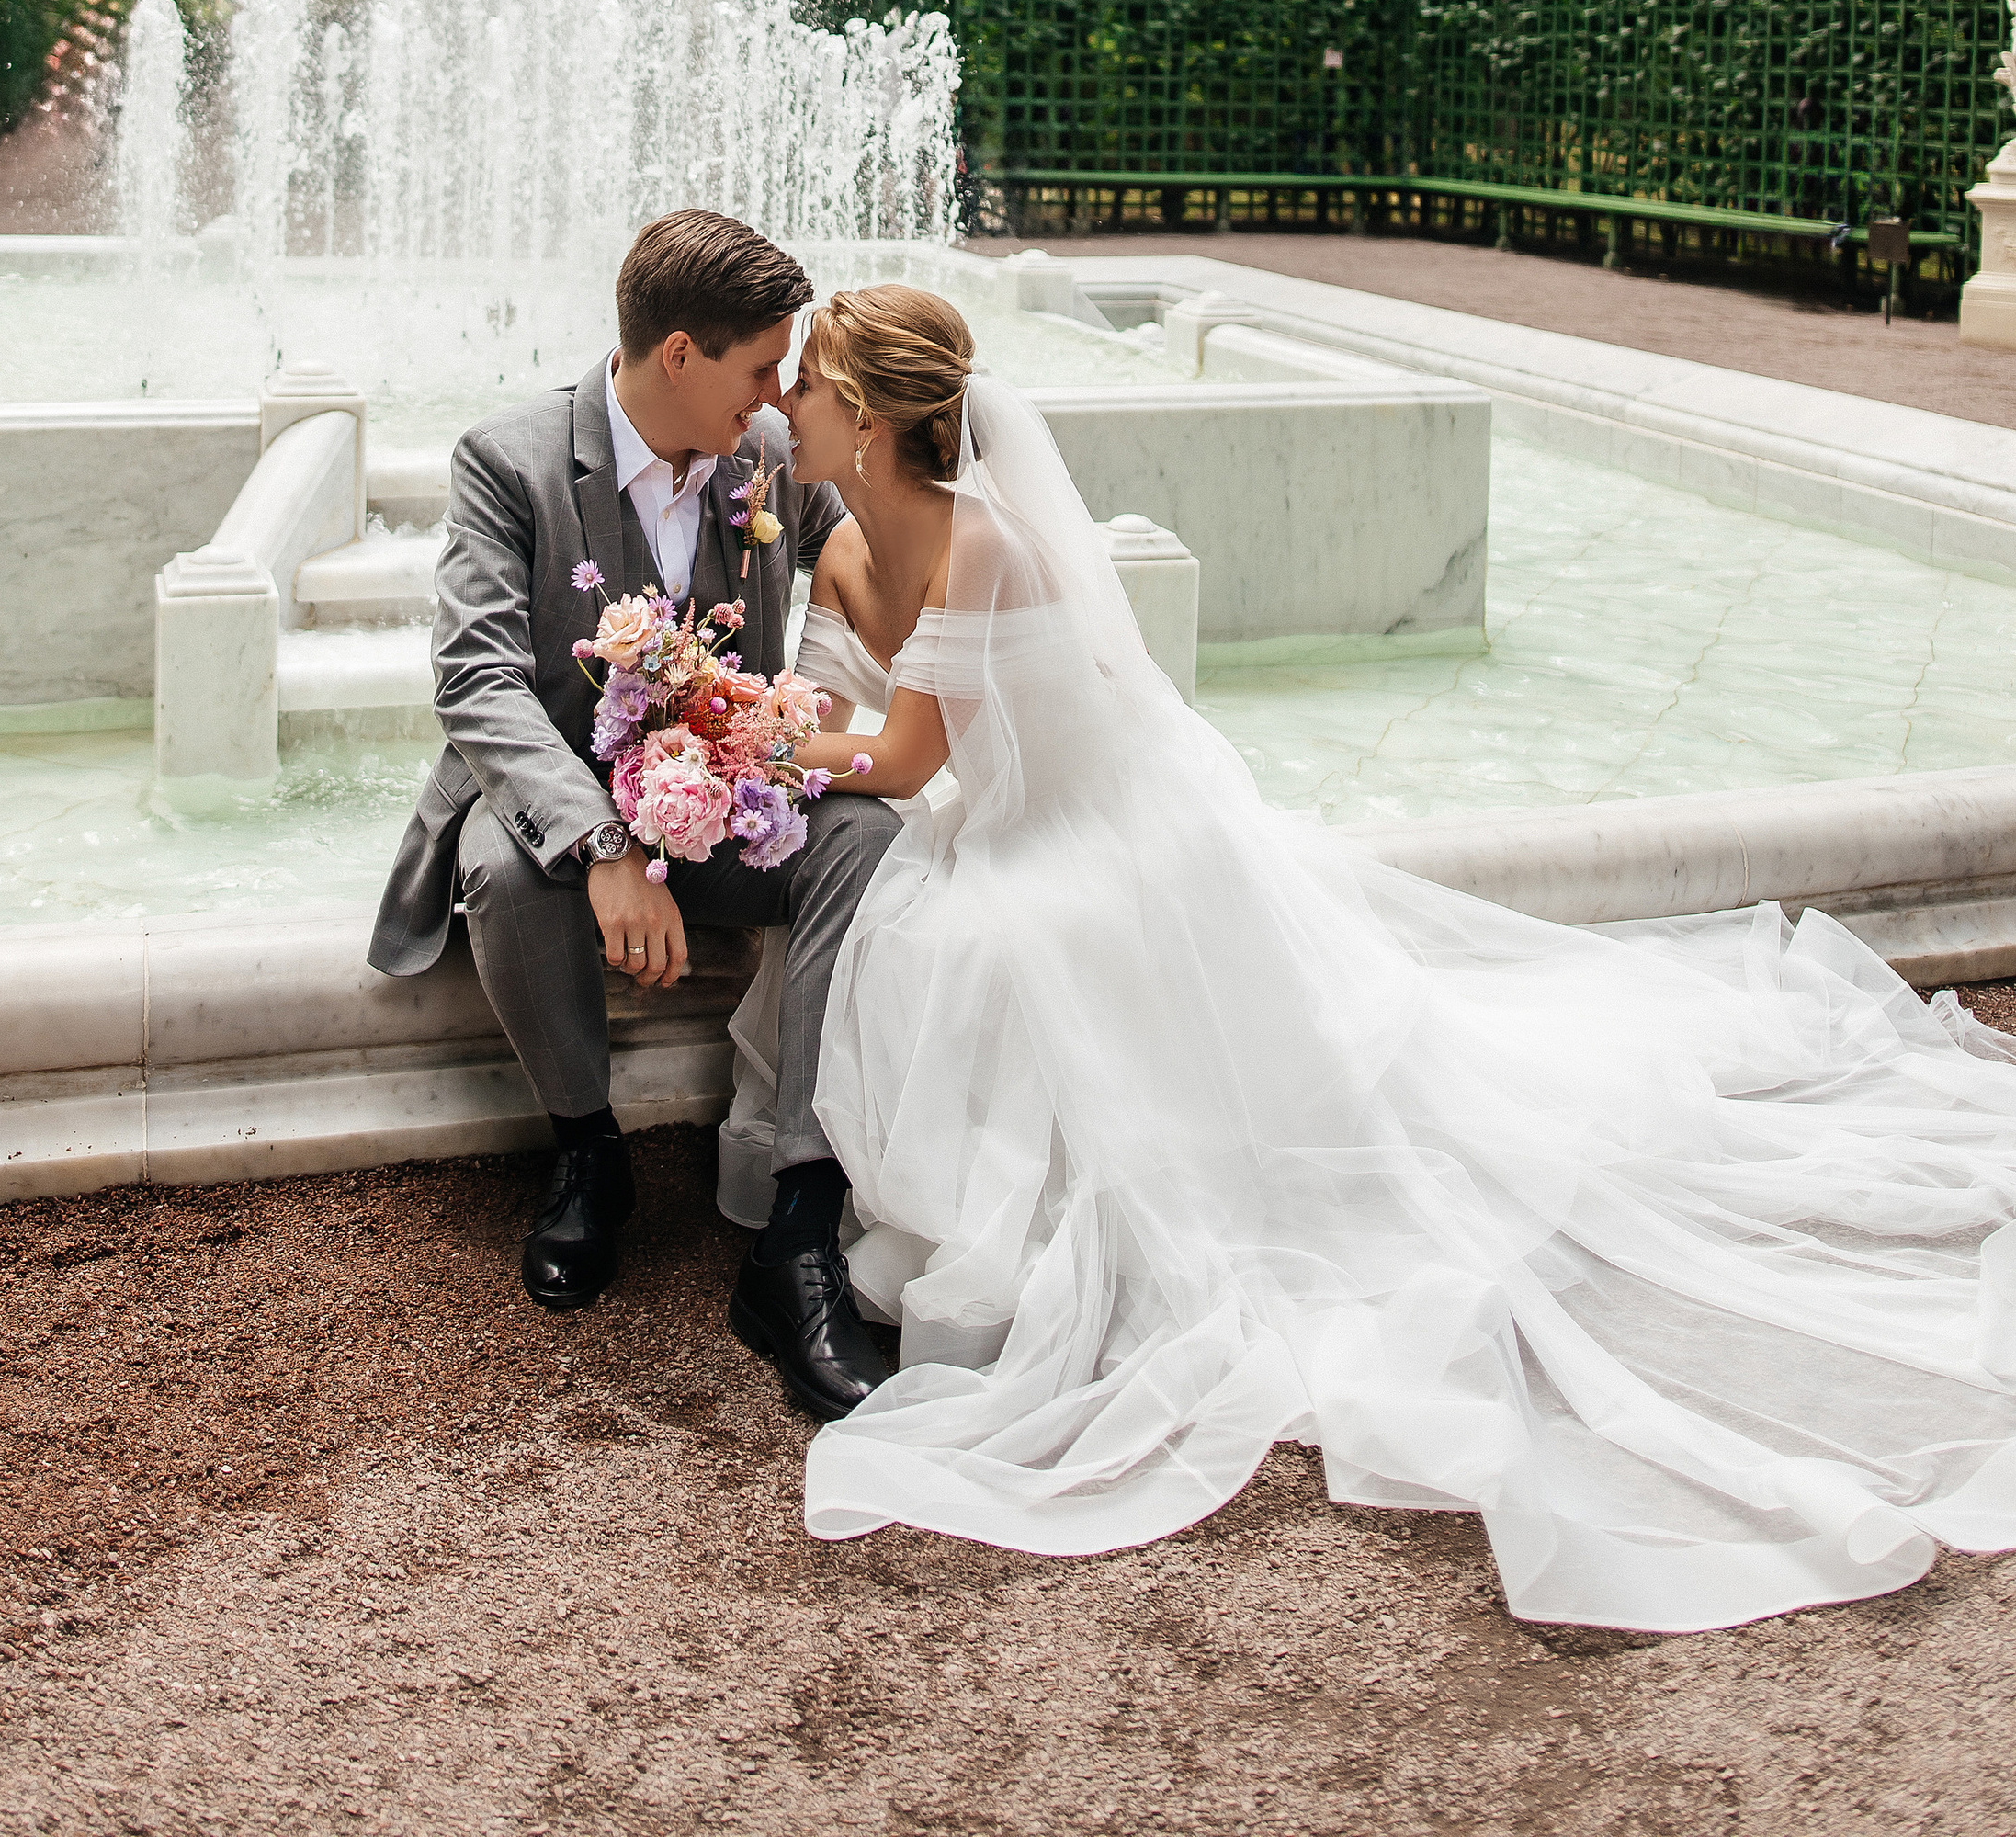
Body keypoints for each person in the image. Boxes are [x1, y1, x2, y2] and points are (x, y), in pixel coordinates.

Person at [777, 282, 2016, 1633]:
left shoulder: (986, 546)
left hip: (1096, 829)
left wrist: (759, 742)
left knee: (981, 940)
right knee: (939, 927)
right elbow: (852, 689)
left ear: (871, 413)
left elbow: (900, 758)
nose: (785, 405)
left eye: (807, 388)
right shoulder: (840, 535)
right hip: (1008, 820)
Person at [367, 208, 900, 1416]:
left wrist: (956, 600)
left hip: (720, 810)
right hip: (565, 809)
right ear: (678, 355)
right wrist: (605, 844)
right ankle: (587, 1153)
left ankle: (799, 1235)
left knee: (867, 840)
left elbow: (866, 549)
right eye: (762, 364)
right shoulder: (506, 462)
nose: (779, 390)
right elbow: (475, 682)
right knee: (505, 865)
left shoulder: (762, 452)